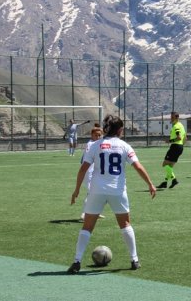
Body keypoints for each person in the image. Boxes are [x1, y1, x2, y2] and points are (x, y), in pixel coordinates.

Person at [67, 114, 156, 274]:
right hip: (117, 191)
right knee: (125, 224)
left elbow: (83, 169)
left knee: (87, 226)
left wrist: (77, 190)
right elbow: (137, 166)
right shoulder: (124, 146)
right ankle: (134, 259)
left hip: (96, 191)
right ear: (120, 130)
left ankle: (77, 261)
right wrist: (150, 183)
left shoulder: (95, 145)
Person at [79, 125, 104, 221]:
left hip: (94, 172)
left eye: (99, 135)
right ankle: (84, 213)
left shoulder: (94, 144)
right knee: (92, 193)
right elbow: (85, 160)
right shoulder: (91, 145)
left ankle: (96, 212)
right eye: (96, 135)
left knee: (98, 192)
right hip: (89, 172)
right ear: (91, 135)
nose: (98, 137)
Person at [158, 111, 185, 189]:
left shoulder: (176, 126)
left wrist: (169, 141)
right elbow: (185, 137)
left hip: (175, 147)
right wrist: (181, 145)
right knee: (170, 167)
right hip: (180, 147)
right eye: (171, 117)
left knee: (165, 164)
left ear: (177, 118)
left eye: (172, 117)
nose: (171, 119)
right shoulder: (181, 125)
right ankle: (165, 182)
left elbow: (179, 137)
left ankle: (174, 180)